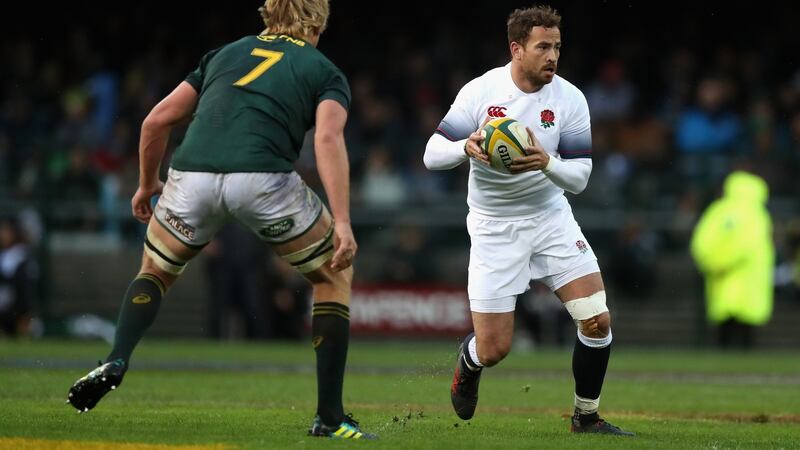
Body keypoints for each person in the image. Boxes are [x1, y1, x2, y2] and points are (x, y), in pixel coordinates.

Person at [66, 0, 375, 439]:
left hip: (192, 175)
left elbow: (155, 122)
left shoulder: (224, 54)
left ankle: (117, 357)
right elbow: (326, 137)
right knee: (332, 278)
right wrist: (342, 221)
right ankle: (329, 417)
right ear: (318, 21)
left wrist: (146, 183)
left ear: (268, 14)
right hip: (263, 180)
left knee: (155, 270)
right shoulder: (323, 69)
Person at [423, 5, 633, 435]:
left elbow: (580, 177)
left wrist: (546, 163)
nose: (552, 55)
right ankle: (470, 359)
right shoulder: (481, 92)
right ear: (517, 49)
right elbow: (431, 154)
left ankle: (585, 417)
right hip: (493, 227)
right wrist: (466, 146)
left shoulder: (570, 99)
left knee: (596, 319)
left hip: (550, 216)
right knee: (496, 348)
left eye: (556, 47)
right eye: (543, 47)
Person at [690, 171, 774, 349]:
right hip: (750, 284)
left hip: (721, 281)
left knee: (724, 333)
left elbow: (701, 242)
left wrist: (715, 263)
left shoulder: (718, 210)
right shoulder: (757, 213)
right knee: (746, 335)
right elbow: (748, 244)